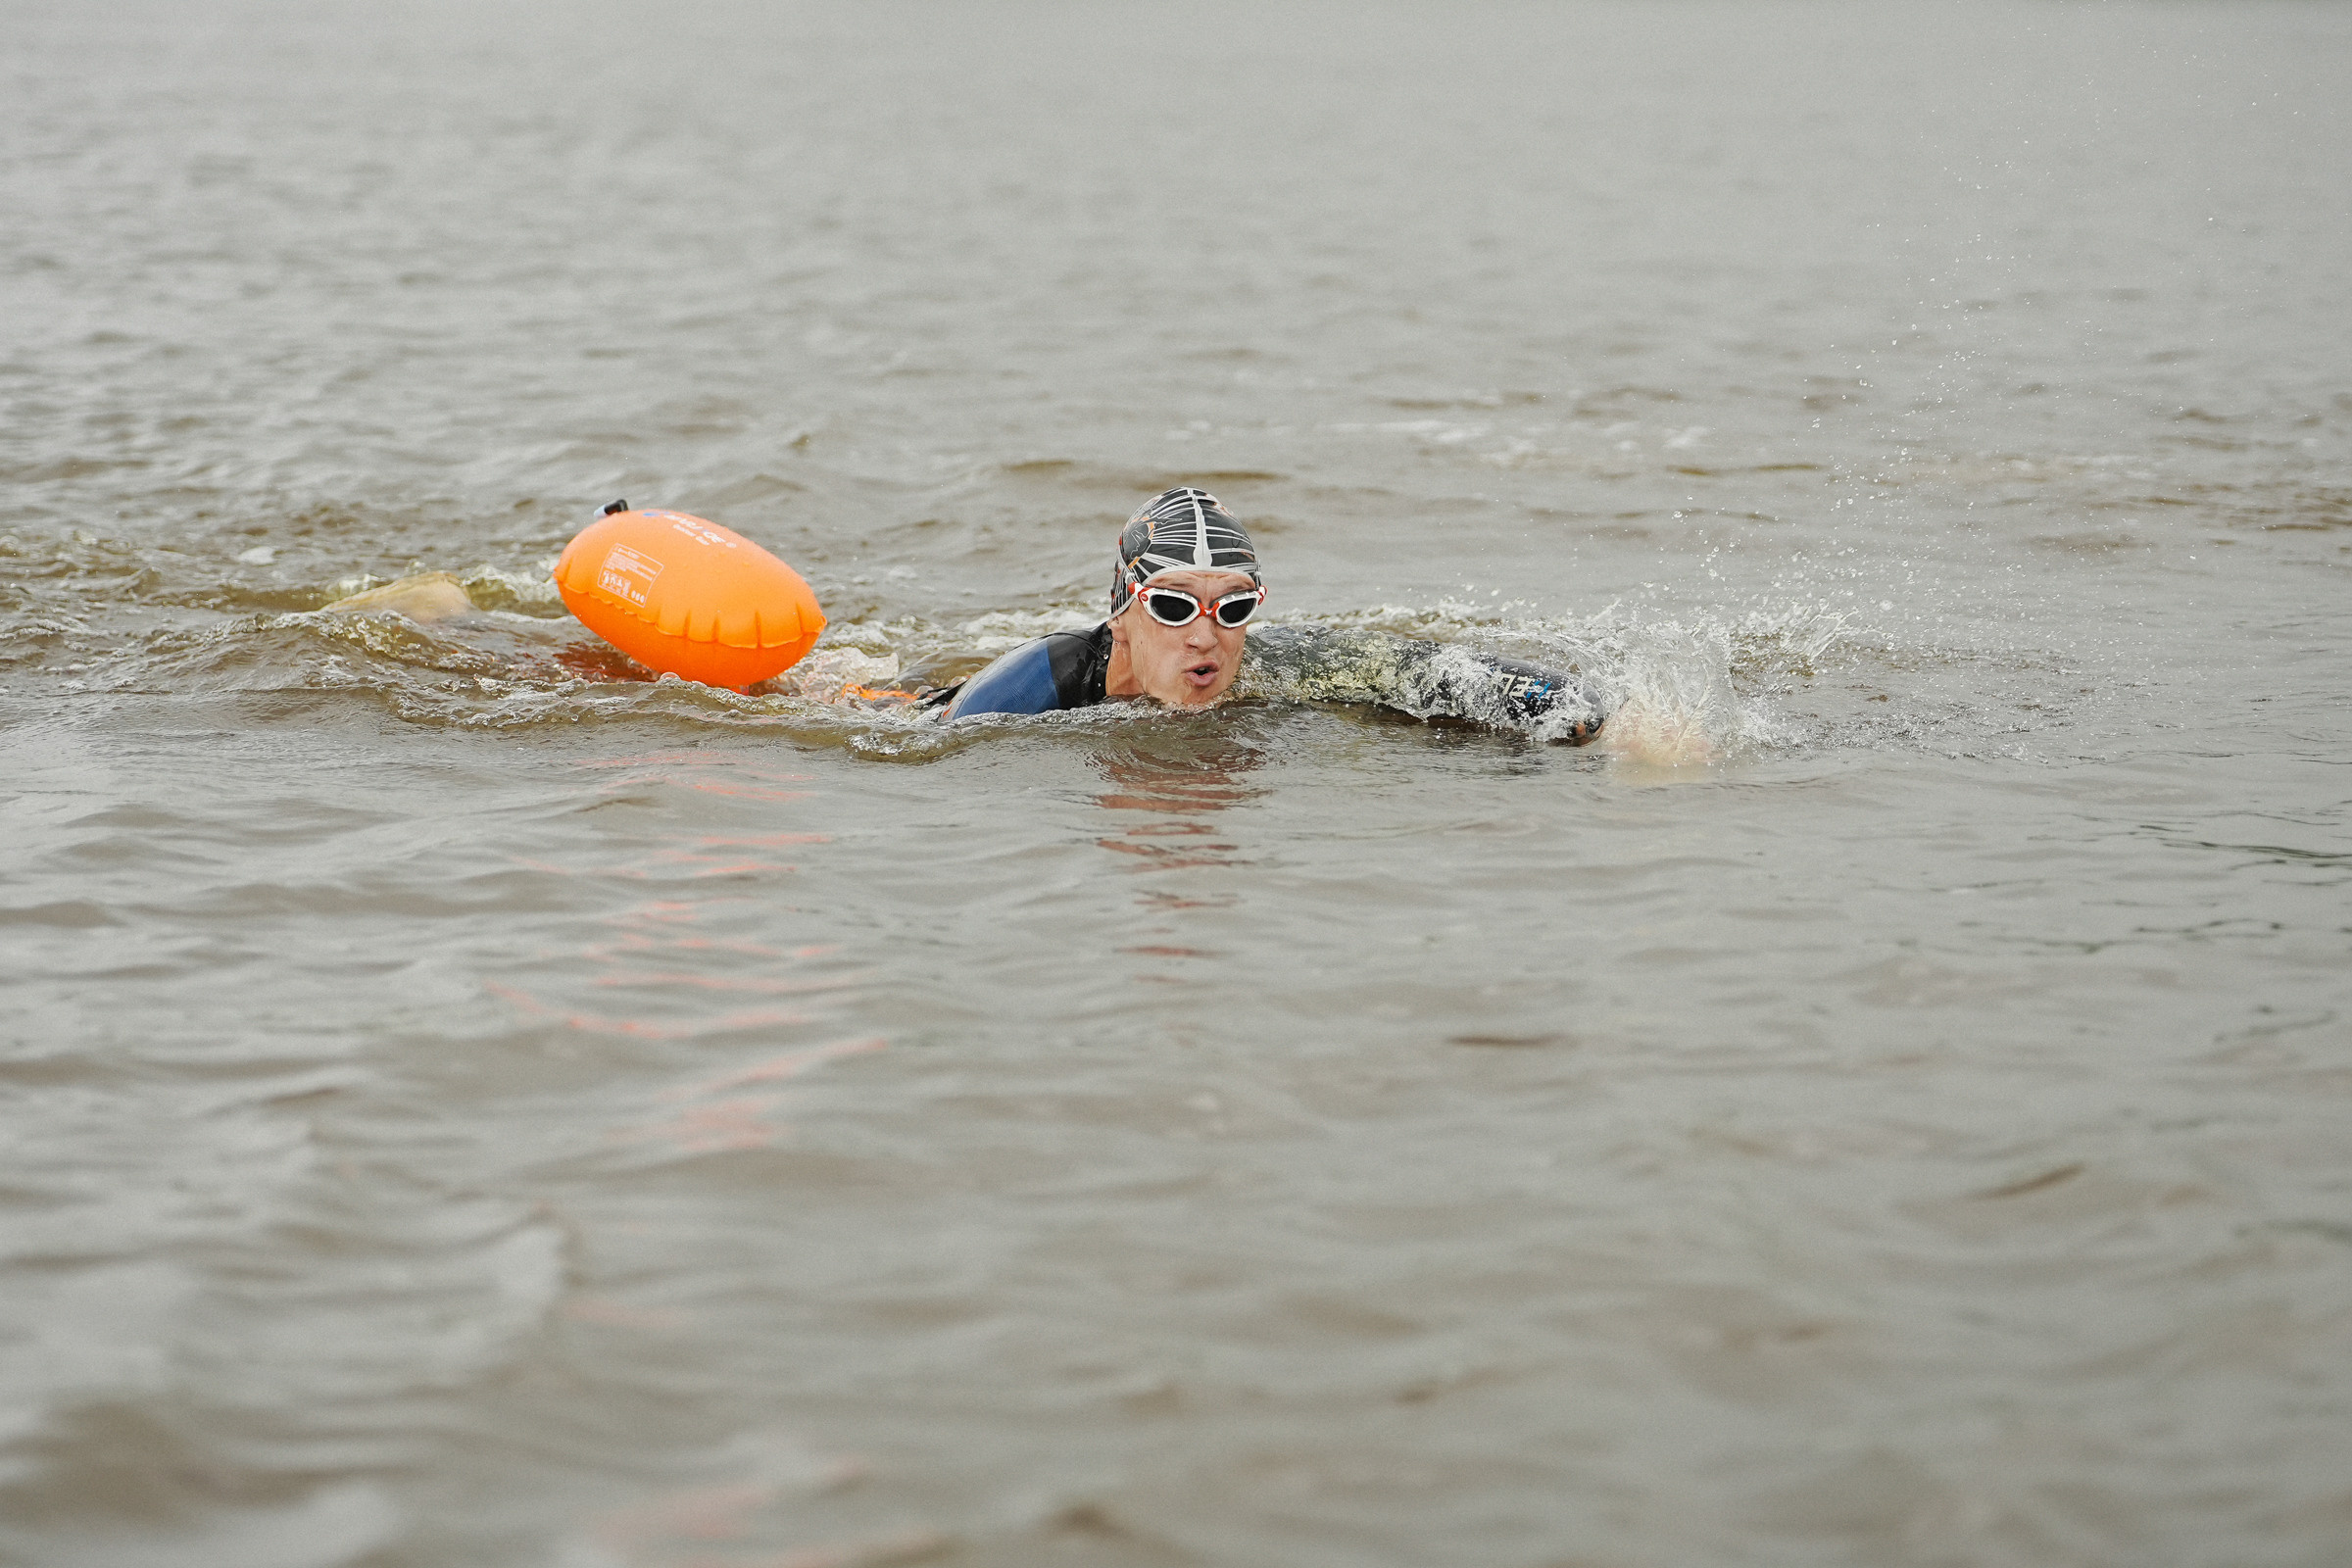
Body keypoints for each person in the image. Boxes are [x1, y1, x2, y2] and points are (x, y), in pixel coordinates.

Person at [939, 487, 1607, 743]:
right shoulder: (1034, 685)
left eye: (1231, 607)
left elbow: (1434, 673)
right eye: (1172, 607)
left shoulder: (1278, 661)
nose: (1206, 635)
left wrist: (1595, 718)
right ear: (1122, 616)